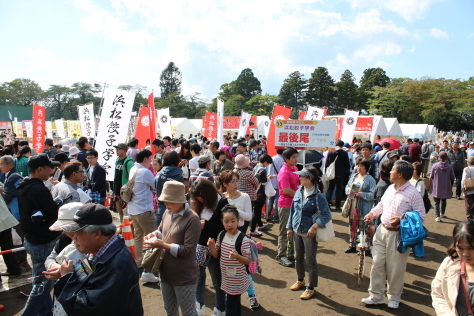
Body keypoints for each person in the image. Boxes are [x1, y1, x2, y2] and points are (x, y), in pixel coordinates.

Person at [53, 203, 143, 315]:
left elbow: (87, 308)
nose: (74, 238)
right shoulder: (104, 251)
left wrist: (66, 278)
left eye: (78, 233)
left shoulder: (116, 265)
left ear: (97, 234)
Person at [362, 160, 426, 309]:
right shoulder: (390, 188)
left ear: (400, 174)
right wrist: (372, 213)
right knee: (377, 264)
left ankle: (394, 297)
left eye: (393, 170)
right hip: (381, 231)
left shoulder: (413, 193)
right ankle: (376, 296)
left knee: (395, 268)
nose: (390, 172)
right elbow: (382, 205)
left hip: (399, 235)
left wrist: (402, 219)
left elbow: (421, 216)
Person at [144, 182, 201, 316]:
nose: (166, 204)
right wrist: (154, 235)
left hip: (184, 276)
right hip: (165, 273)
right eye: (165, 200)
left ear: (179, 200)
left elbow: (188, 250)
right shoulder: (167, 212)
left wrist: (162, 245)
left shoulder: (192, 219)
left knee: (188, 312)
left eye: (169, 201)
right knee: (169, 310)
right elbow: (161, 230)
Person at [18, 154, 61, 315]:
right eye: (49, 167)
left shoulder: (24, 186)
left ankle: (46, 312)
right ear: (39, 169)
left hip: (32, 239)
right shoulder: (38, 189)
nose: (52, 170)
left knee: (40, 280)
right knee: (43, 284)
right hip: (43, 241)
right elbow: (53, 215)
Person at [287, 167, 331, 300]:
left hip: (309, 233)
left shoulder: (319, 196)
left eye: (302, 176)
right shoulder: (298, 192)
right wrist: (289, 227)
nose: (299, 178)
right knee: (297, 257)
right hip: (296, 230)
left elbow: (327, 215)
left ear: (309, 178)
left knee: (310, 261)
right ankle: (300, 280)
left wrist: (315, 226)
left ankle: (311, 287)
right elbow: (292, 210)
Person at [190, 179, 228, 316]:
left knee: (217, 280)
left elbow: (226, 229)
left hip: (215, 248)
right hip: (200, 246)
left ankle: (220, 309)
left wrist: (206, 225)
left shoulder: (222, 203)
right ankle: (199, 306)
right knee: (199, 278)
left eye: (201, 197)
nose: (199, 200)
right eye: (197, 198)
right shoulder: (199, 204)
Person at [208, 206, 252, 316]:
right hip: (226, 278)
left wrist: (237, 257)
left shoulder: (243, 239)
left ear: (238, 221)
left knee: (230, 306)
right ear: (222, 222)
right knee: (235, 303)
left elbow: (247, 261)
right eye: (226, 221)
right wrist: (212, 247)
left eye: (233, 221)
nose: (230, 224)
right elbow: (216, 254)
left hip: (237, 280)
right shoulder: (221, 235)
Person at [126, 149, 160, 282]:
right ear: (145, 159)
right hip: (144, 210)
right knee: (152, 238)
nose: (151, 161)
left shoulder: (133, 169)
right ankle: (149, 269)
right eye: (150, 159)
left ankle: (139, 263)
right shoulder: (145, 171)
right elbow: (156, 185)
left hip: (133, 209)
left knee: (139, 237)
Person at [432, 220, 474, 315]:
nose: (465, 254)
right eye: (460, 248)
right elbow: (437, 293)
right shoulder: (449, 264)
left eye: (471, 248)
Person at [344, 159, 377, 253]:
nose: (359, 168)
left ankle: (365, 247)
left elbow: (372, 194)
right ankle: (352, 244)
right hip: (353, 205)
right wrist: (348, 191)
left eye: (361, 166)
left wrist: (361, 194)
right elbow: (347, 187)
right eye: (358, 166)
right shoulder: (354, 176)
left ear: (366, 168)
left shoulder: (370, 179)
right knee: (352, 225)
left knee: (363, 228)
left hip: (363, 207)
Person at [0, 155, 25, 275]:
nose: (0, 167)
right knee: (10, 242)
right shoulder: (8, 176)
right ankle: (16, 265)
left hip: (14, 213)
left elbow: (10, 195)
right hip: (7, 216)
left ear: (9, 165)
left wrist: (3, 193)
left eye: (2, 164)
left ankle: (20, 261)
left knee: (19, 238)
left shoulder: (14, 177)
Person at [276, 147, 299, 267]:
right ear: (286, 159)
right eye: (293, 157)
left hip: (294, 204)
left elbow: (297, 183)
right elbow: (286, 190)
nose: (296, 159)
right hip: (285, 204)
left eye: (296, 156)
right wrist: (301, 196)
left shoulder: (295, 168)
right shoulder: (284, 172)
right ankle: (281, 255)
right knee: (284, 231)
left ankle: (289, 253)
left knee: (294, 230)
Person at [155, 150, 184, 227]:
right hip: (175, 211)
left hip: (160, 209)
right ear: (177, 161)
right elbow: (181, 195)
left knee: (160, 236)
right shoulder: (178, 176)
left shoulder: (158, 175)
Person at [233, 154, 259, 233]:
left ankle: (239, 233)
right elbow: (256, 183)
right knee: (246, 217)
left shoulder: (234, 172)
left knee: (238, 216)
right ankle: (243, 234)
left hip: (236, 196)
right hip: (249, 198)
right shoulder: (248, 173)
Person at [249, 154, 273, 237]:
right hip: (260, 192)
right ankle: (252, 230)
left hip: (254, 191)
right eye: (268, 163)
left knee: (257, 210)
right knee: (257, 211)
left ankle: (260, 224)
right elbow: (264, 182)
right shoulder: (263, 170)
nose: (268, 165)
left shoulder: (256, 167)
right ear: (265, 162)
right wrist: (269, 178)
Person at [325, 140, 351, 211]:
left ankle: (327, 204)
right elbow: (347, 165)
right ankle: (337, 206)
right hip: (341, 174)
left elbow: (327, 163)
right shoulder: (344, 153)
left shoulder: (330, 152)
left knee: (330, 188)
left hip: (331, 174)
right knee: (339, 189)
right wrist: (346, 172)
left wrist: (326, 172)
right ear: (342, 146)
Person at [430, 151, 455, 222]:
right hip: (446, 186)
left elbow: (431, 176)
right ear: (446, 158)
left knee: (436, 201)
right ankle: (442, 213)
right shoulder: (450, 166)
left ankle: (437, 216)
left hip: (436, 186)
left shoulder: (435, 166)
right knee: (444, 200)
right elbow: (452, 177)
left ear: (439, 157)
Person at [113, 143, 134, 223]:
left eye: (119, 149)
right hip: (117, 190)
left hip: (124, 192)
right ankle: (123, 230)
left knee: (127, 214)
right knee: (120, 212)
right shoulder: (117, 160)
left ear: (125, 150)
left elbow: (132, 178)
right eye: (116, 149)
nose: (117, 151)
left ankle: (129, 232)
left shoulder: (129, 162)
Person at [267, 148, 284, 222]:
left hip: (271, 181)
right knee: (277, 200)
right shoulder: (282, 160)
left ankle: (268, 215)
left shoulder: (271, 158)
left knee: (270, 199)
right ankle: (276, 216)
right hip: (278, 182)